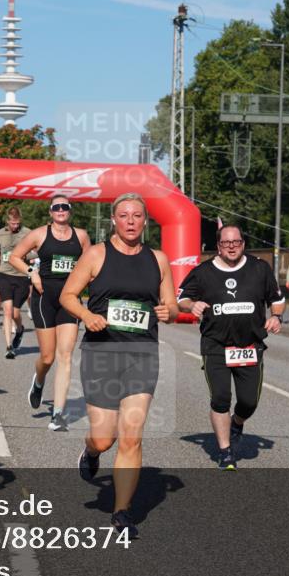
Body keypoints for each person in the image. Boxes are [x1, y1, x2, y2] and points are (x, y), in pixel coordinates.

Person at [60, 193, 178, 538]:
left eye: (137, 216)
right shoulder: (96, 254)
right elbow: (67, 296)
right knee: (104, 438)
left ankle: (122, 511)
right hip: (101, 354)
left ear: (145, 221)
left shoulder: (158, 259)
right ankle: (90, 451)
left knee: (132, 437)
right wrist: (87, 315)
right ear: (114, 220)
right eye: (124, 215)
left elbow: (172, 305)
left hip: (142, 355)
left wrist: (167, 312)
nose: (130, 221)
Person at [177, 225, 285, 469]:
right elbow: (181, 298)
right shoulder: (204, 272)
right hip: (216, 344)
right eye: (226, 243)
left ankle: (237, 422)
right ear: (218, 246)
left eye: (236, 242)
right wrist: (191, 305)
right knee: (221, 397)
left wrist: (276, 317)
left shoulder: (259, 268)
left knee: (249, 402)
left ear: (243, 244)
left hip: (250, 344)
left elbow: (277, 301)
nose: (232, 246)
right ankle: (225, 451)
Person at [10, 197, 91, 431]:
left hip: (70, 299)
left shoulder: (82, 236)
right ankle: (39, 380)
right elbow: (15, 257)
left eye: (65, 206)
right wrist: (31, 273)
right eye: (57, 207)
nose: (61, 210)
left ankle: (57, 414)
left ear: (70, 211)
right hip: (44, 297)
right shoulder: (39, 234)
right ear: (51, 212)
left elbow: (90, 264)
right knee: (48, 357)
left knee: (65, 356)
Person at [0, 207, 32, 359]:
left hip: (21, 275)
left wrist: (26, 255)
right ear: (7, 221)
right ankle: (9, 346)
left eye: (17, 223)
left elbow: (35, 250)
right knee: (8, 311)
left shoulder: (28, 233)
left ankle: (20, 329)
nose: (15, 226)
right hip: (4, 274)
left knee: (16, 313)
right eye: (12, 223)